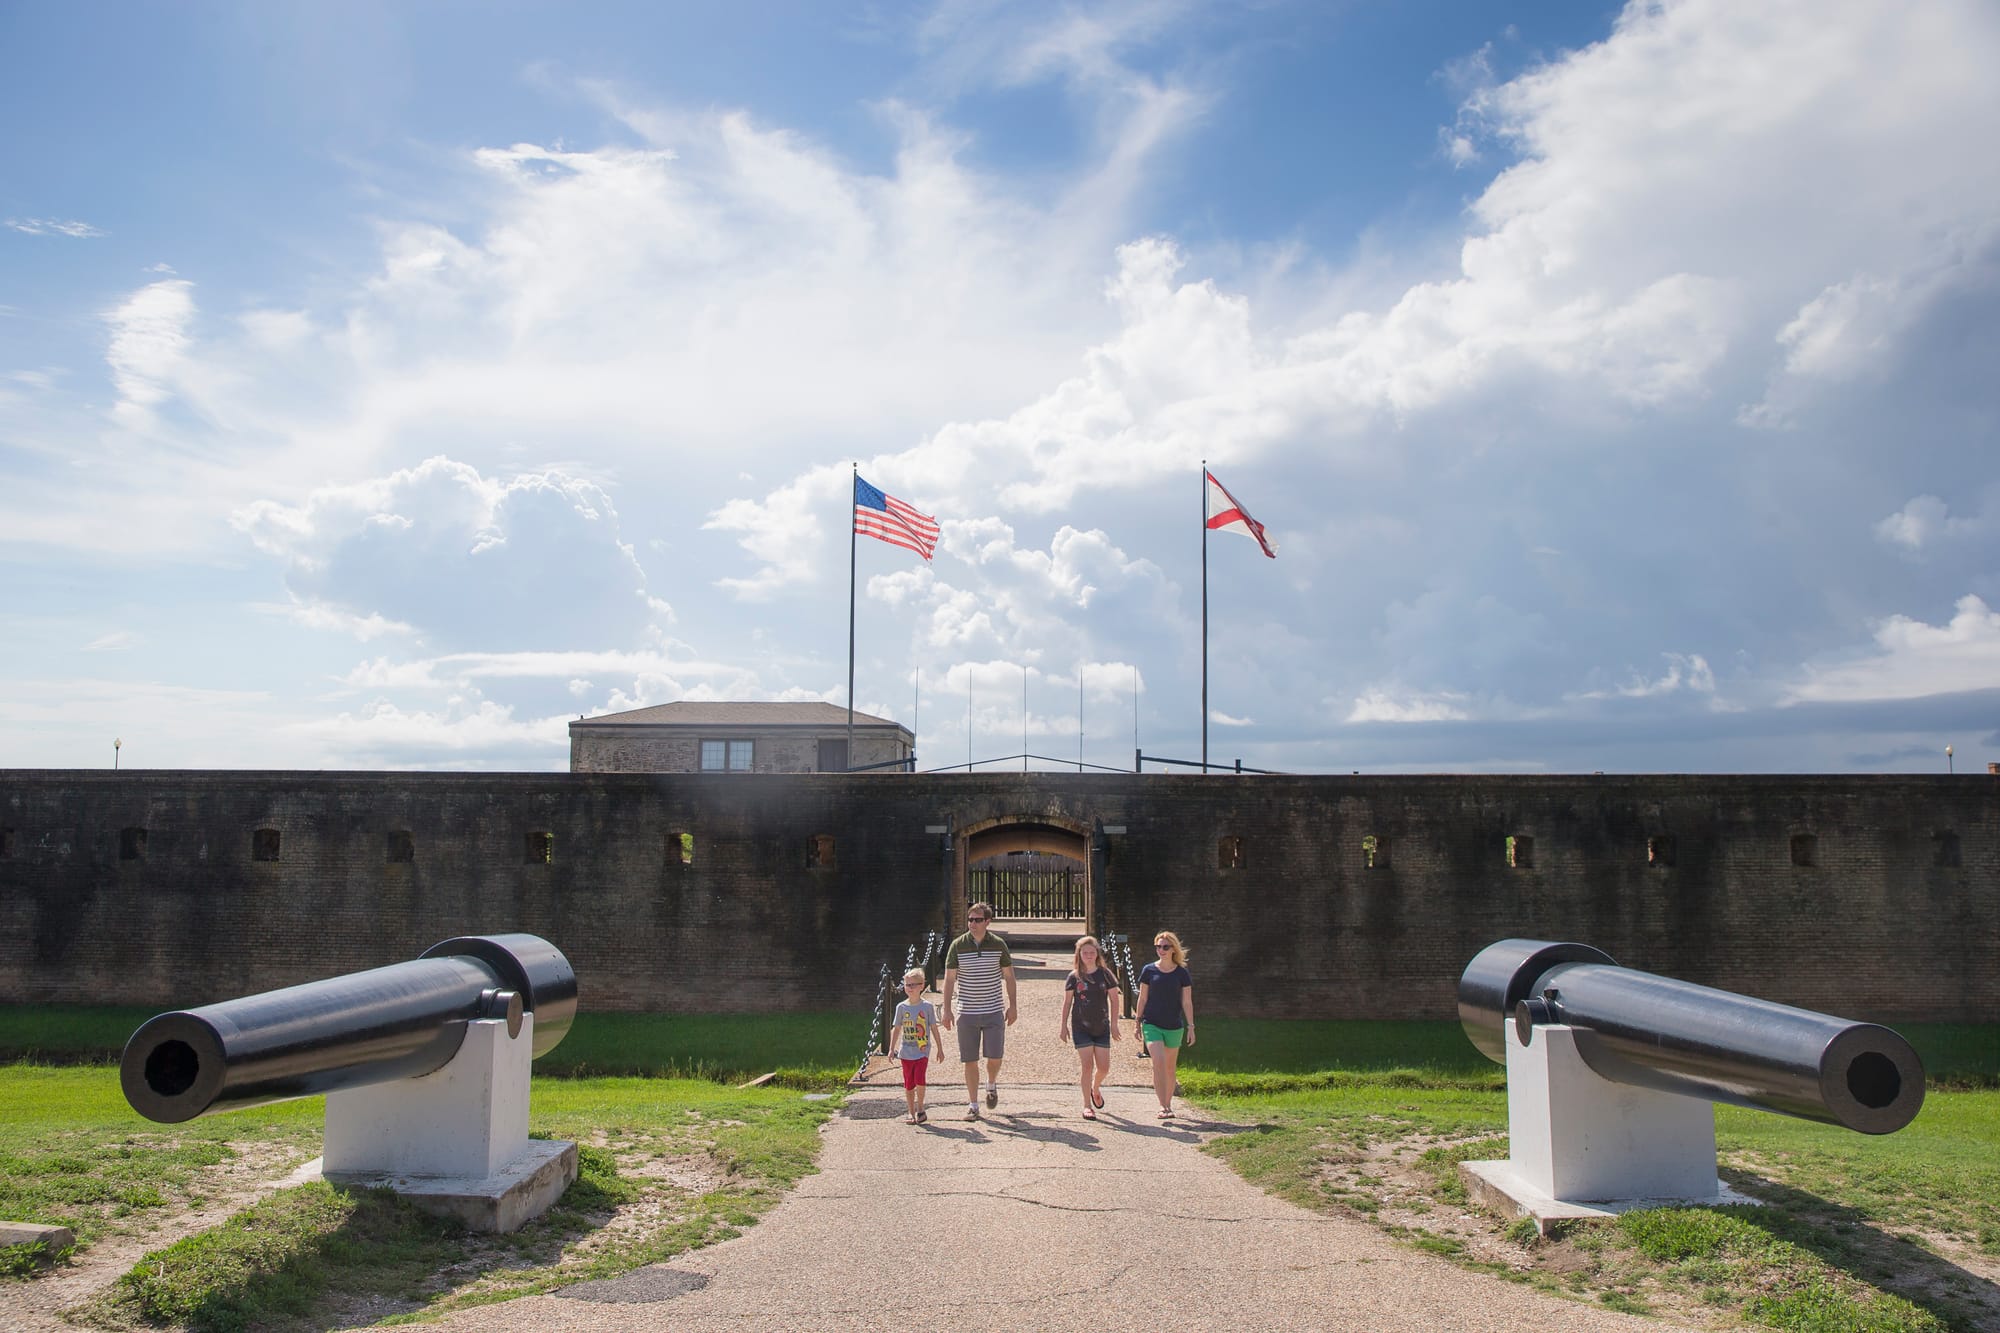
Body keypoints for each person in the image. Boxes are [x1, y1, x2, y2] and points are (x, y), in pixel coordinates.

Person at [939, 901, 1016, 1120]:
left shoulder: (999, 945)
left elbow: (1009, 976)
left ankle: (991, 1084)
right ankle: (973, 1104)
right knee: (969, 1060)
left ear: (987, 922)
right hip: (967, 1011)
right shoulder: (957, 945)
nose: (972, 924)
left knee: (995, 1057)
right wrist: (947, 1010)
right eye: (970, 920)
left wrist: (1013, 1006)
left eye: (977, 920)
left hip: (993, 1010)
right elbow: (949, 978)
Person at [1055, 935, 1122, 1119]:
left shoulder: (1106, 974)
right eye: (1085, 953)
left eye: (1092, 952)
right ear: (1079, 954)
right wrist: (1063, 1025)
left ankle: (1096, 1087)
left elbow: (1115, 1000)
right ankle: (1086, 1105)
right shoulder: (1073, 977)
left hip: (1101, 1026)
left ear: (1097, 954)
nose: (1089, 956)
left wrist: (1115, 1024)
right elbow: (1067, 1002)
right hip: (1080, 1026)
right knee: (1087, 1066)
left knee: (1104, 1067)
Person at [1134, 930, 1194, 1117]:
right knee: (1158, 1062)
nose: (1161, 950)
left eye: (1165, 947)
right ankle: (1163, 1106)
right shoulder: (1148, 970)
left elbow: (1186, 1001)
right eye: (1158, 946)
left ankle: (1168, 1104)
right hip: (1151, 1023)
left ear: (1173, 949)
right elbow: (1142, 998)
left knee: (1169, 1067)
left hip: (1174, 1025)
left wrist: (1191, 1026)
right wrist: (1137, 1021)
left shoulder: (1182, 973)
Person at [891, 967, 943, 1124]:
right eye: (907, 985)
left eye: (913, 985)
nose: (910, 988)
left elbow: (933, 1028)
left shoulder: (927, 1007)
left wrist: (940, 1048)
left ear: (922, 986)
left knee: (920, 1079)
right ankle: (910, 1111)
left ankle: (920, 1107)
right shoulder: (901, 1007)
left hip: (922, 1050)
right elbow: (897, 1028)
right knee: (909, 1083)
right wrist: (891, 1048)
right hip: (906, 1051)